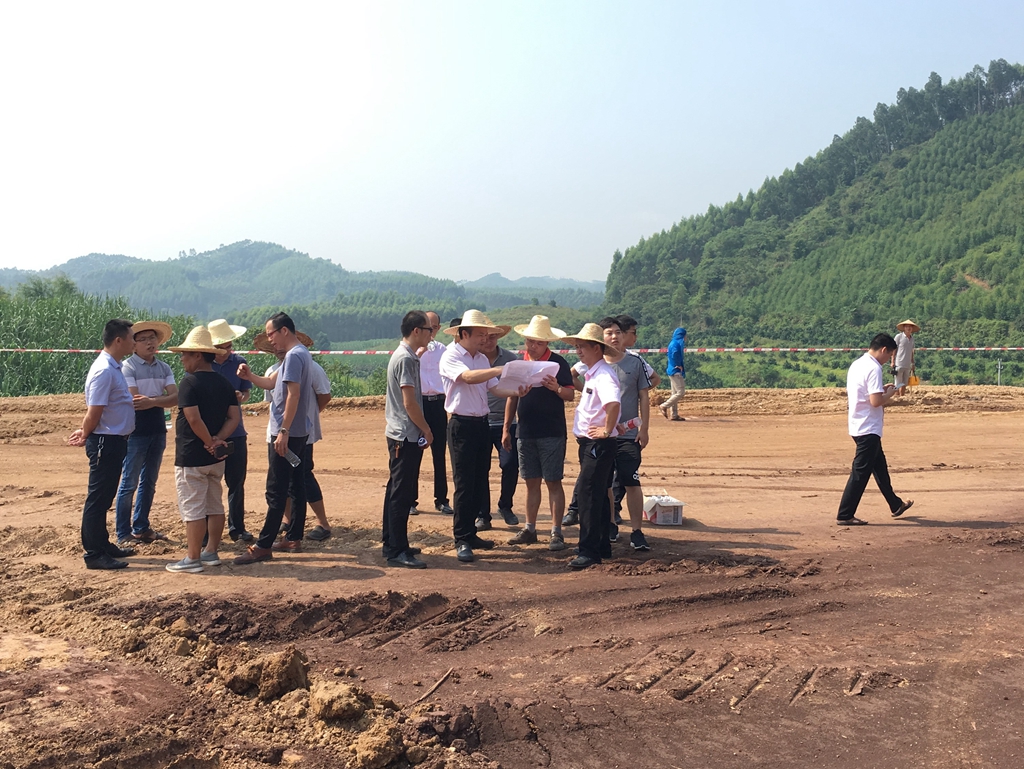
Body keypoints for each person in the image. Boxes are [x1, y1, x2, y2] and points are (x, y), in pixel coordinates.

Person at [439, 309, 527, 563]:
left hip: (481, 423)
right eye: (480, 334)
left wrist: (517, 391)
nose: (484, 339)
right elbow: (467, 378)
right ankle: (461, 539)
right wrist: (498, 369)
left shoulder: (480, 358)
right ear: (464, 334)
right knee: (464, 484)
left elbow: (495, 389)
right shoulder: (451, 355)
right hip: (462, 425)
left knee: (479, 480)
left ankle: (471, 533)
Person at [234, 312, 315, 563]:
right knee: (296, 485)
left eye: (271, 334)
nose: (270, 340)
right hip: (299, 431)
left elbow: (293, 395)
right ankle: (293, 537)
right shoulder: (300, 354)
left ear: (284, 331)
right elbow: (271, 383)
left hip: (287, 433)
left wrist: (283, 431)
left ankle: (264, 545)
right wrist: (250, 377)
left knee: (276, 489)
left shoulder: (293, 356)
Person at [165, 326, 240, 573]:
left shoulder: (189, 383)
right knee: (214, 505)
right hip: (216, 458)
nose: (182, 359)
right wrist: (218, 440)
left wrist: (208, 441)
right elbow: (234, 417)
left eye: (185, 354)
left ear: (198, 355)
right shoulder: (224, 382)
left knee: (193, 508)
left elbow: (193, 419)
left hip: (192, 456)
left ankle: (193, 558)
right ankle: (211, 551)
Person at [68, 319, 138, 570]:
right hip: (104, 442)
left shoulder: (113, 367)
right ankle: (94, 553)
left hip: (114, 441)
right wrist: (86, 432)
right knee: (98, 500)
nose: (134, 342)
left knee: (105, 496)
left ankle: (103, 545)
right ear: (119, 340)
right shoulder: (104, 370)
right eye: (132, 337)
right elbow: (94, 411)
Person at [252, 330, 333, 540]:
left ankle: (322, 522)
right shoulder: (273, 371)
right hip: (279, 433)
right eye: (274, 347)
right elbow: (274, 402)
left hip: (298, 434)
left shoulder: (311, 368)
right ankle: (288, 521)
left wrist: (308, 417)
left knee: (302, 476)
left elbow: (324, 396)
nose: (278, 349)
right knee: (285, 478)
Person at [503, 316, 574, 551]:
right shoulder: (519, 363)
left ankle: (556, 532)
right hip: (525, 431)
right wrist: (506, 428)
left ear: (547, 343)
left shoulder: (558, 363)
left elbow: (570, 395)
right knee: (531, 482)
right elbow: (512, 397)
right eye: (530, 341)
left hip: (552, 431)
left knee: (553, 481)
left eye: (538, 342)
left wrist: (556, 388)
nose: (532, 346)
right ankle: (530, 528)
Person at [836, 333, 915, 525]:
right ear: (884, 350)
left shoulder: (858, 364)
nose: (888, 360)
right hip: (868, 427)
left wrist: (881, 390)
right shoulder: (874, 368)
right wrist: (891, 393)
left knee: (880, 467)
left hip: (858, 424)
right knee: (860, 473)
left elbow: (866, 392)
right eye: (889, 355)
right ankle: (845, 514)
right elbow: (875, 401)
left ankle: (895, 504)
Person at [561, 323, 620, 570]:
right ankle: (600, 544)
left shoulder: (603, 375)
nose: (578, 351)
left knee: (588, 495)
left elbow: (613, 403)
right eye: (577, 346)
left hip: (597, 443)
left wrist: (606, 430)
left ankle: (589, 550)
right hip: (593, 443)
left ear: (596, 348)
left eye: (582, 346)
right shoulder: (595, 374)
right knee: (598, 494)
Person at [114, 320, 177, 547]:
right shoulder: (128, 367)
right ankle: (123, 532)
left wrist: (152, 401)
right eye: (144, 339)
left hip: (158, 428)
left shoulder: (164, 367)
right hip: (135, 429)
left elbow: (176, 397)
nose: (150, 343)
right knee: (129, 482)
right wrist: (160, 401)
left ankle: (141, 528)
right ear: (134, 344)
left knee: (149, 481)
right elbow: (135, 400)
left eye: (153, 338)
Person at [382, 310, 435, 568]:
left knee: (396, 489)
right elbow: (409, 402)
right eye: (428, 330)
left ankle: (391, 542)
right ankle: (397, 550)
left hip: (400, 433)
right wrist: (426, 429)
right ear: (416, 331)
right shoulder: (405, 358)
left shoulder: (407, 355)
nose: (430, 335)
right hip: (405, 434)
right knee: (401, 494)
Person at [599, 316, 653, 551]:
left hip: (629, 435)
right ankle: (611, 524)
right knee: (606, 484)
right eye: (609, 333)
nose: (614, 337)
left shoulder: (635, 362)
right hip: (603, 434)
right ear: (601, 337)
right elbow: (574, 380)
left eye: (618, 332)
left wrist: (645, 429)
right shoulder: (596, 364)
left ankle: (637, 531)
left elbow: (644, 396)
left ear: (623, 336)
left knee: (631, 481)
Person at [208, 318, 254, 542]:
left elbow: (246, 393)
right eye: (222, 347)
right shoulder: (203, 364)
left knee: (236, 482)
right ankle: (207, 529)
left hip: (236, 431)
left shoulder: (239, 362)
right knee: (210, 483)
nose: (227, 351)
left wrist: (240, 397)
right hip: (210, 433)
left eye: (229, 346)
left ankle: (237, 527)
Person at [477, 326, 520, 531]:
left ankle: (505, 506)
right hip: (480, 422)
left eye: (493, 336)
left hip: (507, 422)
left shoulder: (511, 360)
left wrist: (507, 426)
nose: (489, 341)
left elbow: (515, 393)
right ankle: (482, 515)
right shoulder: (474, 360)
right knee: (480, 469)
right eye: (485, 337)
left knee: (510, 465)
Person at [412, 311, 453, 516]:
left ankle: (442, 500)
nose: (431, 331)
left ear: (438, 329)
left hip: (438, 404)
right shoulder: (411, 352)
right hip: (419, 405)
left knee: (439, 454)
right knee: (414, 454)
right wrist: (418, 354)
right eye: (427, 327)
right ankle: (411, 500)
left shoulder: (443, 351)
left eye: (434, 327)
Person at [660, 327, 687, 421]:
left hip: (671, 370)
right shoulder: (676, 344)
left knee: (674, 393)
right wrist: (678, 365)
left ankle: (674, 415)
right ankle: (664, 406)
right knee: (680, 392)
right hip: (675, 371)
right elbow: (675, 354)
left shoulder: (673, 343)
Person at [893, 319, 919, 395]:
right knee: (898, 383)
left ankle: (902, 396)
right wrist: (892, 361)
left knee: (904, 383)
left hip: (907, 364)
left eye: (910, 327)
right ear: (904, 328)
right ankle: (896, 397)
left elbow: (912, 351)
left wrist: (912, 363)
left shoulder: (912, 339)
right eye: (907, 326)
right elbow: (894, 349)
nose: (909, 328)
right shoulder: (899, 337)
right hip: (899, 363)